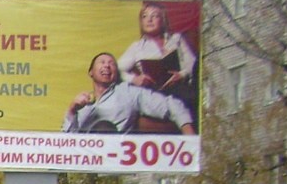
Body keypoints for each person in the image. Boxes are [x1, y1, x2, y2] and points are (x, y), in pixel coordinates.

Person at [62, 53, 196, 135]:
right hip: (89, 170)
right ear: (91, 72)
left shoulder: (129, 92)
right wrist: (72, 109)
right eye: (102, 62)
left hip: (119, 164)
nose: (107, 66)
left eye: (112, 64)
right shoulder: (81, 105)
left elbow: (172, 105)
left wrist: (188, 133)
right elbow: (68, 144)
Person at [118, 2, 196, 107]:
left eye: (154, 16)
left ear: (163, 20)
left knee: (190, 97)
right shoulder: (137, 46)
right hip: (153, 93)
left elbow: (193, 63)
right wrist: (134, 79)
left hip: (180, 88)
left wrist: (181, 75)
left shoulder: (176, 39)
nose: (149, 20)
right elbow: (117, 69)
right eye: (144, 16)